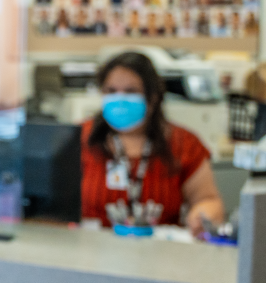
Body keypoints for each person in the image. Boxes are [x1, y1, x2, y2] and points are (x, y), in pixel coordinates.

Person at [81, 52, 225, 234]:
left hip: (161, 247)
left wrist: (203, 217)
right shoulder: (79, 138)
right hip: (91, 245)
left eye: (131, 91)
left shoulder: (184, 144)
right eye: (111, 91)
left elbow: (208, 200)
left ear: (153, 97)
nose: (120, 99)